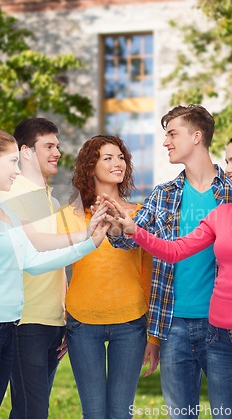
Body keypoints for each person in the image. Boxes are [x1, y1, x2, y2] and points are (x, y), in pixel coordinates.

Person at [107, 129, 232, 419]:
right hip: (219, 341)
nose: (229, 169)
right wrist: (134, 230)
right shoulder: (222, 214)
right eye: (227, 161)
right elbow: (175, 251)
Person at [0, 129, 109, 419]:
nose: (16, 170)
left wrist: (88, 243)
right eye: (11, 162)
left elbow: (32, 261)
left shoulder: (3, 213)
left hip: (7, 330)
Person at [106, 105, 232, 418]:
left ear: (196, 137)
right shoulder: (163, 194)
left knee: (229, 412)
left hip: (223, 323)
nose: (165, 141)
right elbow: (132, 239)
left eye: (172, 134)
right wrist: (116, 225)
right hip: (174, 324)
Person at [59, 135, 153, 419]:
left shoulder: (139, 214)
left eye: (121, 157)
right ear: (91, 166)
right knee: (95, 412)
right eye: (108, 157)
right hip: (82, 323)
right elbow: (54, 269)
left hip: (131, 323)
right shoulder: (70, 216)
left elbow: (149, 271)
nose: (118, 163)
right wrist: (59, 318)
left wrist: (154, 336)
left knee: (121, 413)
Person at [0, 117, 76, 419]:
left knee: (34, 408)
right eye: (49, 146)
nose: (57, 152)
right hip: (23, 322)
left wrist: (65, 315)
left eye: (57, 146)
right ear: (26, 151)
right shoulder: (9, 196)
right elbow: (34, 249)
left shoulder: (52, 201)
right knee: (32, 409)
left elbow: (59, 266)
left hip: (52, 322)